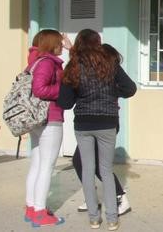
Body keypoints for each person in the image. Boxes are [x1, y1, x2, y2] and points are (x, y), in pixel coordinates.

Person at [58, 30, 136, 231]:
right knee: (106, 171)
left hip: (83, 124)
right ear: (98, 43)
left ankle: (94, 219)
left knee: (87, 170)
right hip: (107, 123)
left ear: (78, 44)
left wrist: (77, 94)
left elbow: (65, 103)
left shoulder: (73, 66)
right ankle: (112, 219)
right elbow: (130, 88)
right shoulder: (110, 64)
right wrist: (111, 93)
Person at [73, 44, 131, 215]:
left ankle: (120, 197)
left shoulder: (108, 68)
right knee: (80, 161)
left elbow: (130, 88)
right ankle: (92, 197)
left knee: (96, 164)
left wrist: (113, 92)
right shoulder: (93, 69)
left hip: (105, 123)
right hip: (92, 123)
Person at [24, 29, 67, 227]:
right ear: (51, 44)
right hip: (49, 118)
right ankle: (40, 212)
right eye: (59, 42)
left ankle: (31, 207)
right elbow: (39, 89)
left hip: (37, 119)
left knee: (37, 164)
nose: (61, 46)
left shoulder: (35, 60)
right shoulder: (47, 63)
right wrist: (63, 88)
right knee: (46, 166)